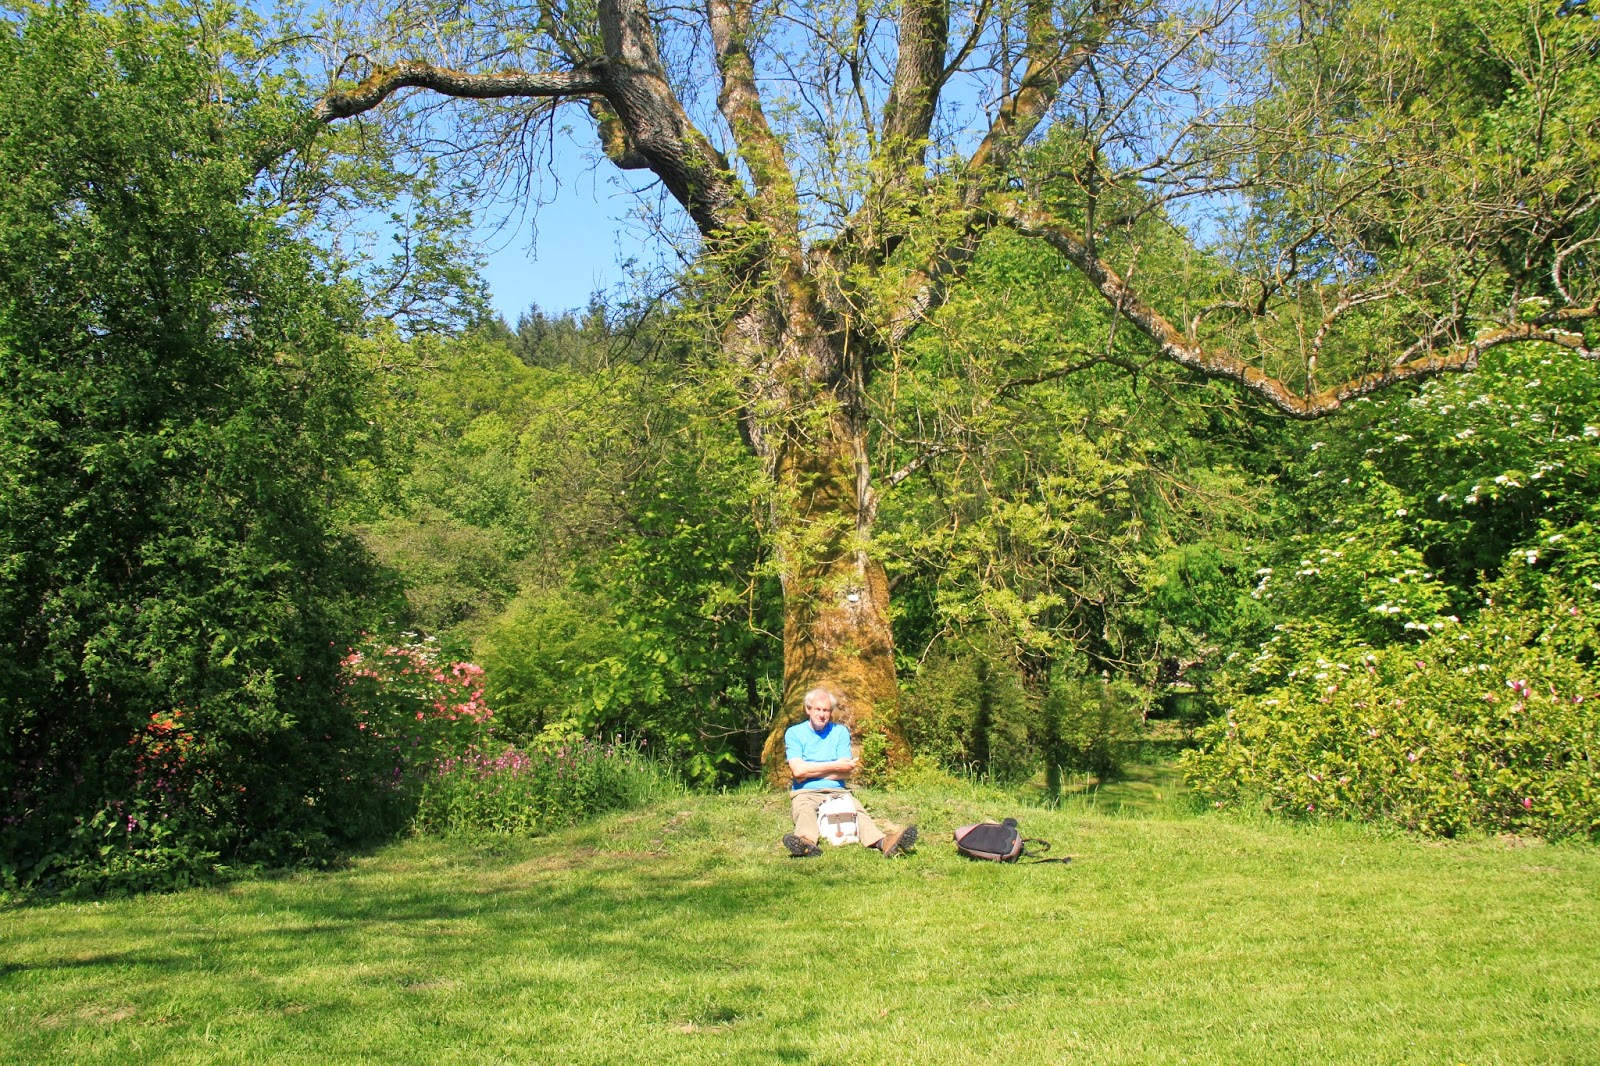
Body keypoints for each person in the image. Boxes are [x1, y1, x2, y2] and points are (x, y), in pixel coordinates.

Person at [782, 687, 917, 859]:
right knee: (804, 811)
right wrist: (834, 766)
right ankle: (805, 843)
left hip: (838, 791)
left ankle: (885, 842)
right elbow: (798, 770)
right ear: (808, 709)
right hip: (806, 792)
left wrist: (810, 771)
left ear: (831, 712)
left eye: (826, 710)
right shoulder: (794, 733)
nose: (822, 714)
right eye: (818, 709)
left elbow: (844, 772)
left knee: (858, 811)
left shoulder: (839, 732)